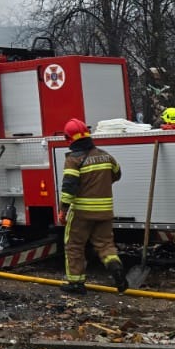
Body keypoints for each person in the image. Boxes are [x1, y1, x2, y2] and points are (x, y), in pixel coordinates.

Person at [58, 119, 127, 294]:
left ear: (69, 138)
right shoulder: (105, 155)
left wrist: (63, 209)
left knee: (74, 245)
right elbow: (117, 174)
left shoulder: (73, 160)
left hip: (82, 213)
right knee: (105, 245)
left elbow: (69, 188)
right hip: (105, 212)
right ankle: (115, 267)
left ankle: (76, 283)